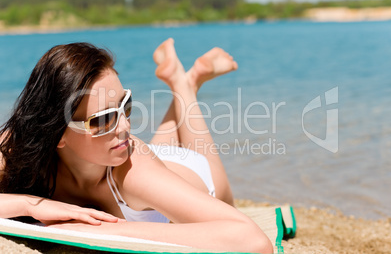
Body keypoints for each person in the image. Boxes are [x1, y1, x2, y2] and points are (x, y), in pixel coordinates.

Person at [0, 39, 272, 253]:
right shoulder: (19, 146)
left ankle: (185, 83)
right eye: (104, 118)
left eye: (125, 105)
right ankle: (183, 79)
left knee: (186, 160)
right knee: (141, 154)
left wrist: (113, 230)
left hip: (194, 175)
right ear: (57, 133)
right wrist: (31, 205)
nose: (124, 126)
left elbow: (253, 241)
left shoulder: (135, 173)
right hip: (143, 167)